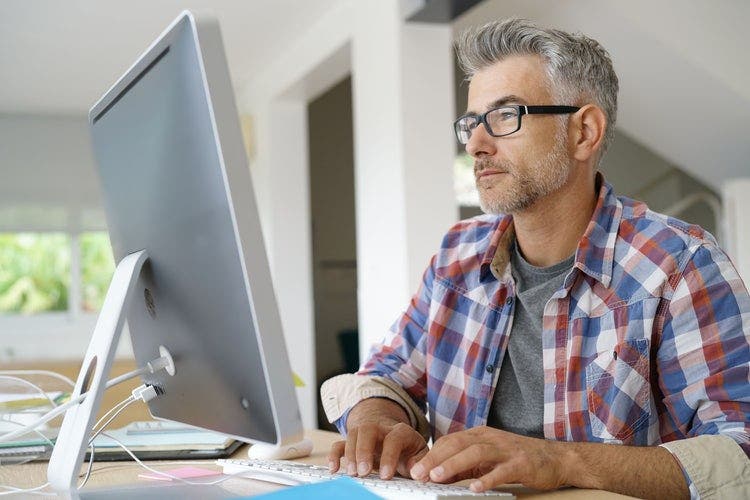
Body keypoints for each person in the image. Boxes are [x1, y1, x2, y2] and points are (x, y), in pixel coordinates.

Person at [320, 18, 750, 499]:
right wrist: (377, 418)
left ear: (584, 132)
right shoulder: (457, 255)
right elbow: (384, 375)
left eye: (506, 117)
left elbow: (741, 457)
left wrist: (562, 460)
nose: (477, 144)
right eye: (472, 123)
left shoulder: (679, 264)